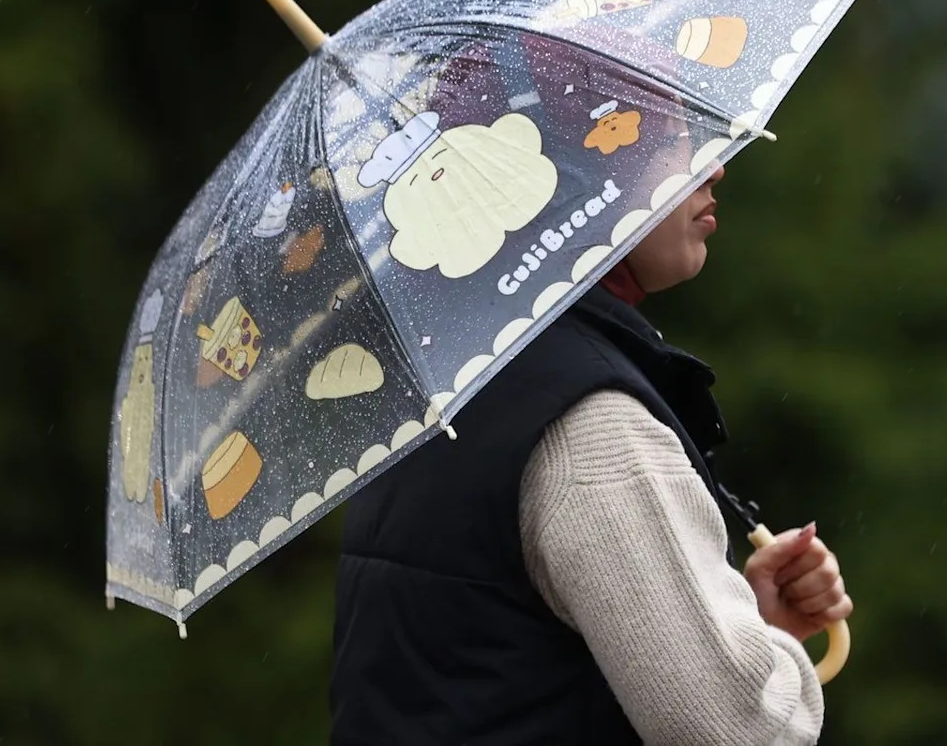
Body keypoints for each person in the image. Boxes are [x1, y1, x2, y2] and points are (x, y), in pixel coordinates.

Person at [330, 148, 854, 744]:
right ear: (567, 173)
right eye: (667, 140)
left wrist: (735, 627)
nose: (715, 168)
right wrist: (769, 666)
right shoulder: (590, 428)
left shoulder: (450, 389)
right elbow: (735, 731)